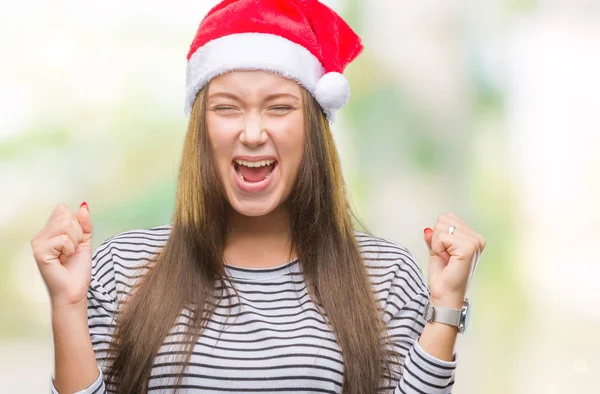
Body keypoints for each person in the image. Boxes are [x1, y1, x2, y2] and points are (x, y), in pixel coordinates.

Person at [31, 0, 486, 393]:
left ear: (313, 128)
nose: (252, 133)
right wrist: (67, 307)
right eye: (227, 108)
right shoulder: (121, 268)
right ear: (202, 131)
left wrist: (445, 307)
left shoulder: (385, 275)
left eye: (279, 107)